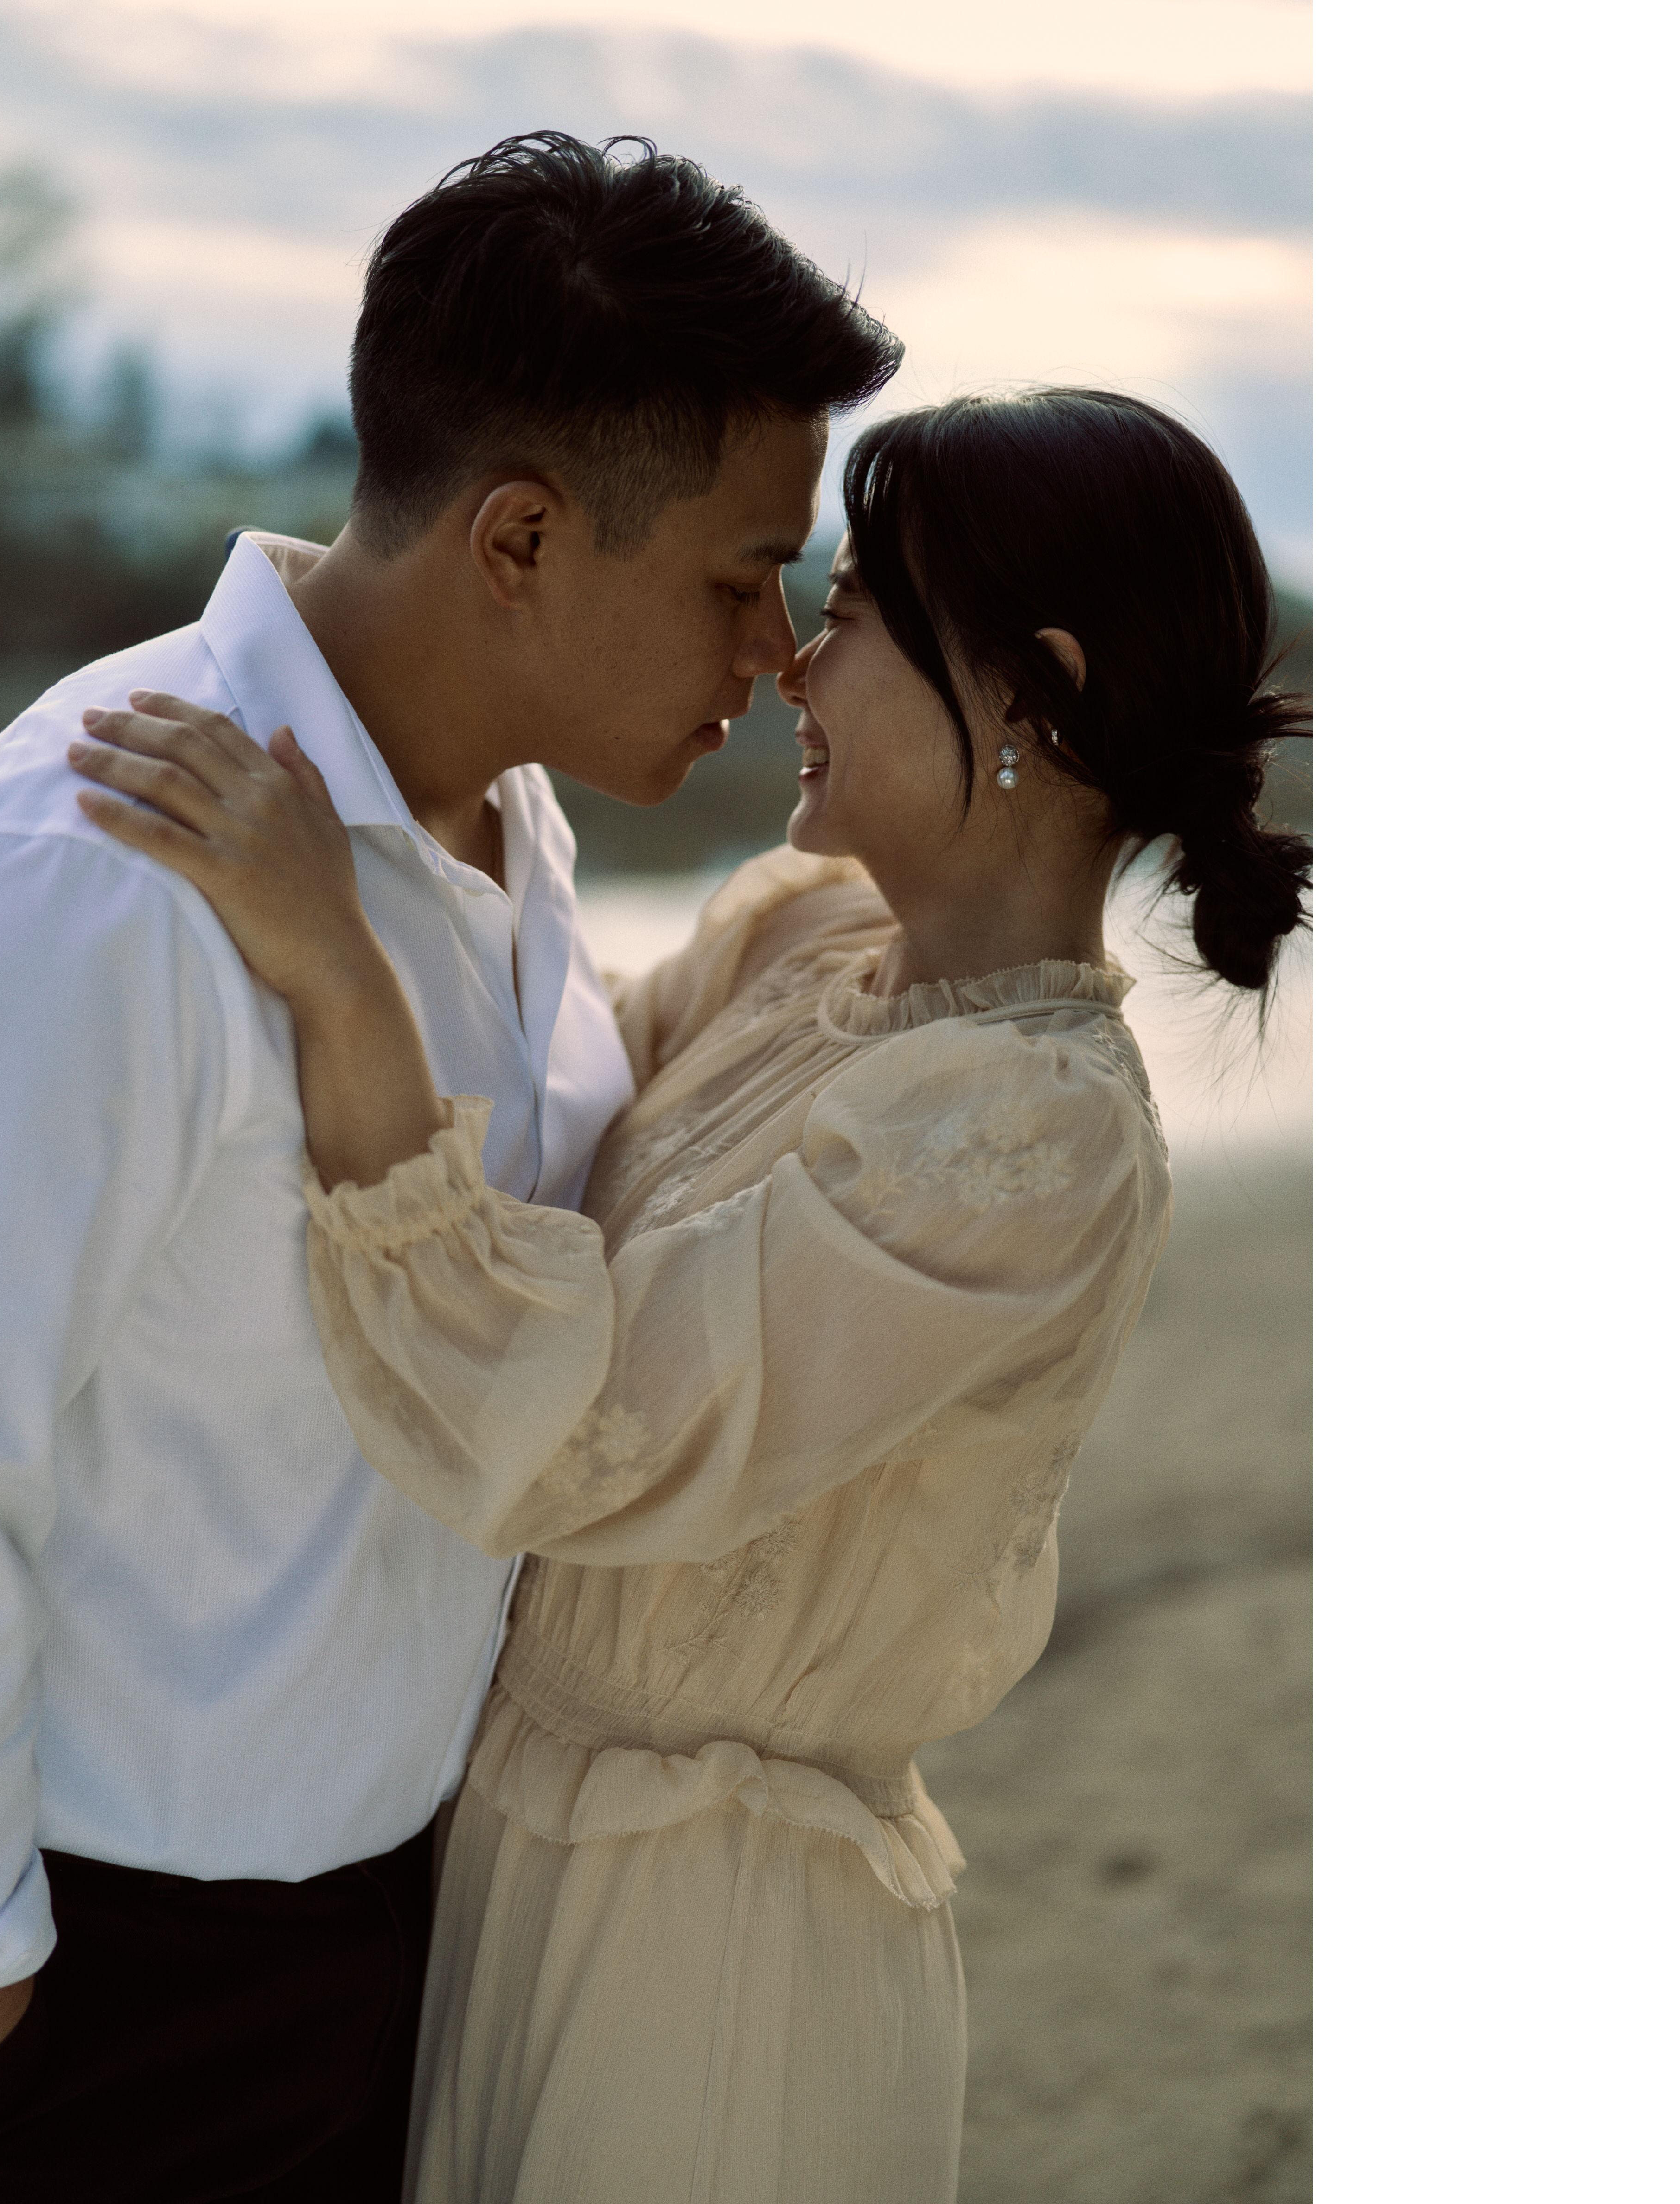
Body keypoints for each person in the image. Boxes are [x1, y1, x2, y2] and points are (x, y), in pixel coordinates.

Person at [68, 384, 1313, 2203]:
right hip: (498, 1844)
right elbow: (523, 1133)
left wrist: (338, 970)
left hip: (715, 1942)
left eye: (855, 612)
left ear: (1032, 693)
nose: (795, 662)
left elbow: (580, 1431)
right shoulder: (800, 937)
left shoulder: (1036, 1133)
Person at [0, 132, 899, 2201]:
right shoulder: (87, 876)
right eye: (737, 576)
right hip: (77, 2004)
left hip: (368, 1960)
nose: (775, 649)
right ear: (522, 538)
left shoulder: (511, 834)